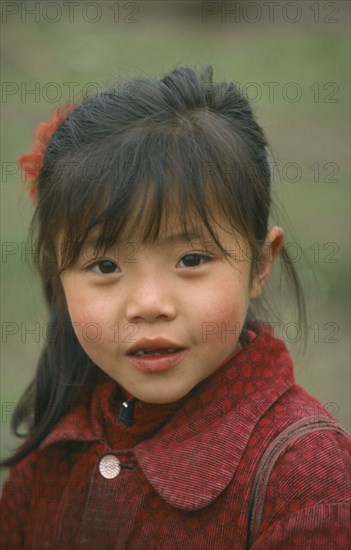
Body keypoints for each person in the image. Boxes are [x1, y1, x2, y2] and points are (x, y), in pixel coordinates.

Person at [0, 66, 349, 549]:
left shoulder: (305, 475)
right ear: (58, 276)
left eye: (191, 259)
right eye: (104, 265)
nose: (149, 304)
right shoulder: (56, 445)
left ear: (260, 265)